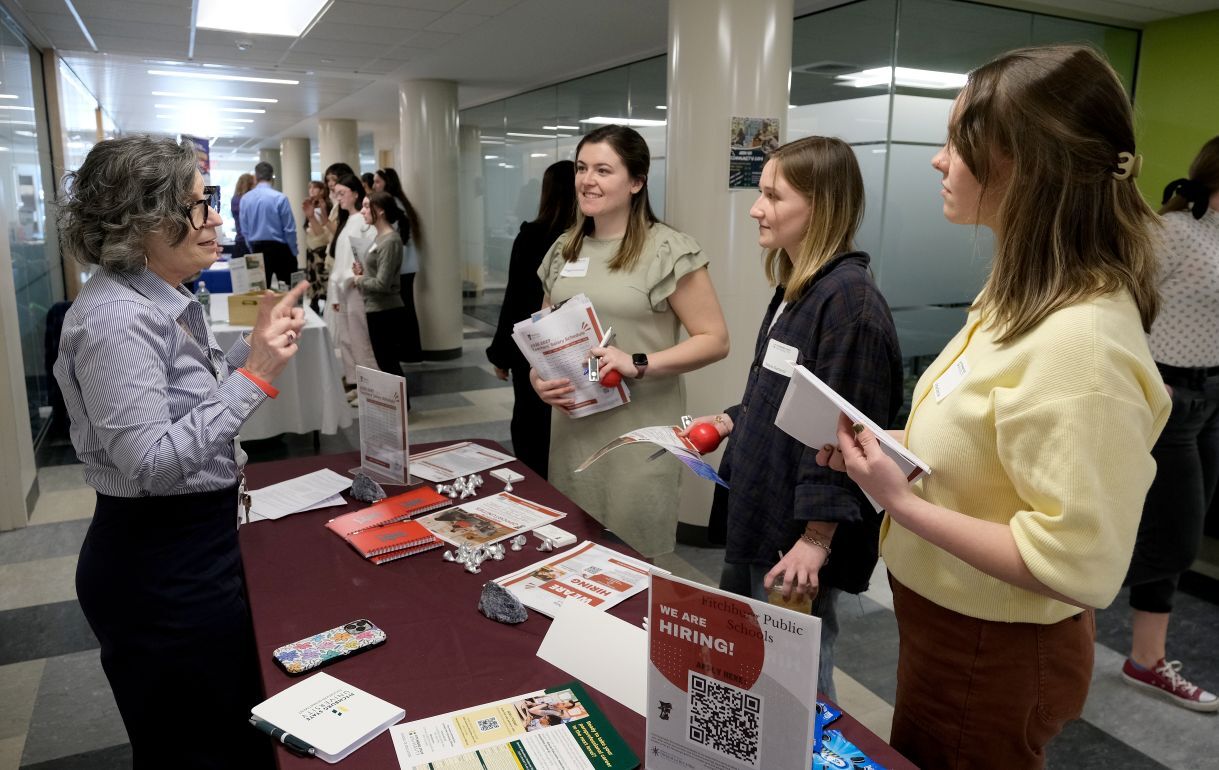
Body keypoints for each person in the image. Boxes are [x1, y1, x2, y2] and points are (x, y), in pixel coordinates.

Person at [817, 45, 1171, 768]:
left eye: (957, 143)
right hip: (948, 623)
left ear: (1021, 166)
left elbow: (1076, 565)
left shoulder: (1083, 343)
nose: (937, 161)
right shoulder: (1022, 296)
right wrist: (893, 445)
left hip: (991, 646)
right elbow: (991, 442)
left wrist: (902, 504)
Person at [53, 135, 309, 767]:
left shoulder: (154, 297)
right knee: (197, 746)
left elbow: (176, 395)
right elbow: (150, 463)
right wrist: (253, 374)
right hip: (160, 565)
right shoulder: (119, 316)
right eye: (198, 205)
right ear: (143, 220)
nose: (217, 218)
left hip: (188, 548)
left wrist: (243, 354)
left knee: (219, 731)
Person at [682, 136, 902, 701]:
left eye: (773, 197)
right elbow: (783, 391)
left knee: (793, 685)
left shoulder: (850, 305)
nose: (757, 209)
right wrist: (735, 419)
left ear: (821, 205)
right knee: (750, 667)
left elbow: (845, 433)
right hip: (761, 510)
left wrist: (816, 538)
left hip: (796, 536)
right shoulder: (798, 286)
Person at [532, 125, 729, 557]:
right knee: (573, 555)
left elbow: (714, 340)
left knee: (636, 561)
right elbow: (547, 334)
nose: (588, 180)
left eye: (604, 170)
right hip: (573, 433)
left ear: (636, 182)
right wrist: (538, 377)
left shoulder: (669, 250)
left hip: (638, 436)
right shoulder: (565, 248)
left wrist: (638, 361)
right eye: (583, 168)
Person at [1121, 135, 1219, 712]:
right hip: (1168, 395)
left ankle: (1145, 660)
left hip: (1212, 395)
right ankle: (1064, 613)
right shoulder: (1176, 230)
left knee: (1179, 531)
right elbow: (1121, 298)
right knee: (1176, 535)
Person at [487, 160, 577, 478]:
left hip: (533, 347)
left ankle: (537, 487)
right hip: (578, 345)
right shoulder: (581, 237)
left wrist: (501, 353)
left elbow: (514, 299)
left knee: (530, 421)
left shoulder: (532, 236)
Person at [325, 173, 378, 393]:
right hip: (342, 287)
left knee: (360, 340)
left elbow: (364, 255)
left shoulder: (363, 223)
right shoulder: (347, 222)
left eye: (342, 193)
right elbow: (339, 260)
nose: (338, 198)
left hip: (355, 287)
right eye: (335, 194)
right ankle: (353, 380)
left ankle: (369, 387)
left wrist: (353, 278)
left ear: (356, 194)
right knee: (346, 338)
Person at [352, 191, 407, 379]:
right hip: (376, 308)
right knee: (385, 363)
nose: (362, 211)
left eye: (367, 206)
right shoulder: (379, 237)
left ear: (381, 211)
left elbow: (383, 283)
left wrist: (359, 280)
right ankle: (396, 407)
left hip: (386, 310)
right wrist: (362, 273)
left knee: (389, 364)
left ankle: (402, 406)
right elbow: (377, 275)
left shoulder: (390, 240)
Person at [374, 167, 424, 360]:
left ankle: (410, 351)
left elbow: (392, 235)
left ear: (388, 182)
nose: (375, 185)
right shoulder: (400, 202)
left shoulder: (393, 204)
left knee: (405, 308)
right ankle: (410, 350)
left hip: (402, 265)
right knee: (406, 307)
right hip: (406, 264)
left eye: (378, 181)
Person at [239, 161, 299, 286]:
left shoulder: (245, 199)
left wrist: (251, 248)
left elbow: (244, 229)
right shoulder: (280, 198)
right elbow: (289, 228)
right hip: (281, 249)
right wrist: (293, 251)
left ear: (256, 177)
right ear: (272, 176)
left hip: (257, 248)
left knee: (258, 291)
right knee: (287, 289)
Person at [302, 179, 332, 315]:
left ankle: (325, 301)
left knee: (322, 276)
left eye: (315, 188)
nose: (312, 191)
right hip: (311, 247)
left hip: (321, 248)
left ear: (322, 190)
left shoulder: (326, 206)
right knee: (312, 276)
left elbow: (322, 232)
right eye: (310, 188)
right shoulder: (311, 206)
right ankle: (314, 301)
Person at [230, 172, 255, 260]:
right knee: (254, 273)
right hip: (250, 242)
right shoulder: (250, 200)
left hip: (239, 241)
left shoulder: (234, 199)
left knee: (239, 273)